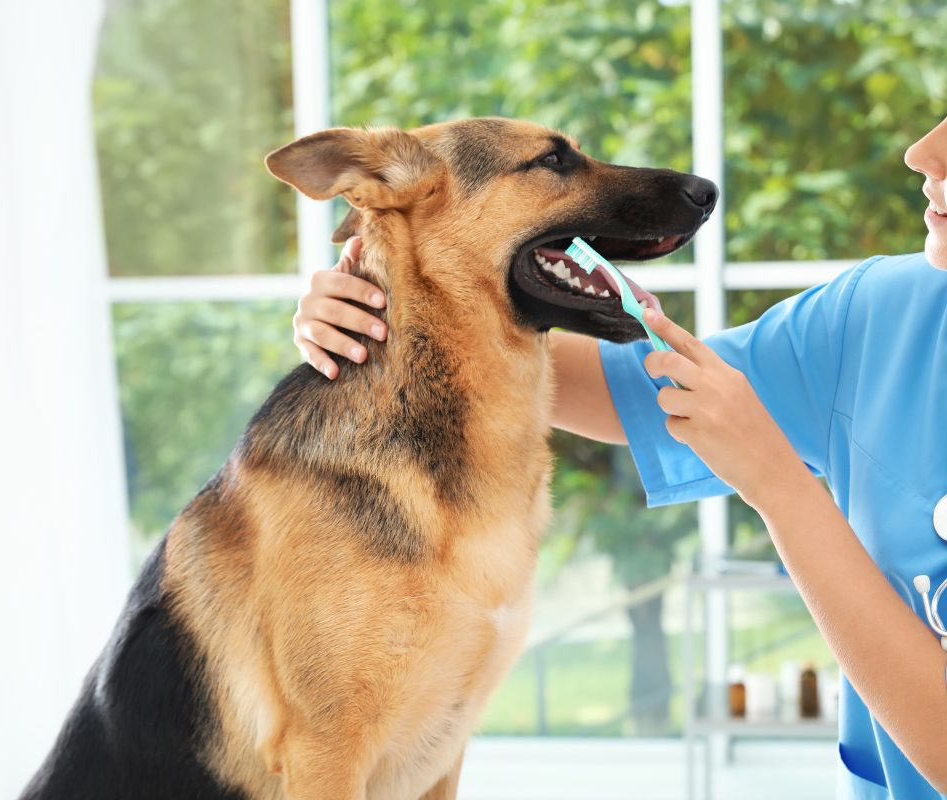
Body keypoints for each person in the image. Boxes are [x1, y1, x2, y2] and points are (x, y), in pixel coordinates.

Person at [291, 117, 947, 798]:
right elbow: (620, 385)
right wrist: (385, 311)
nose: (921, 152)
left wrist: (777, 484)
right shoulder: (879, 319)